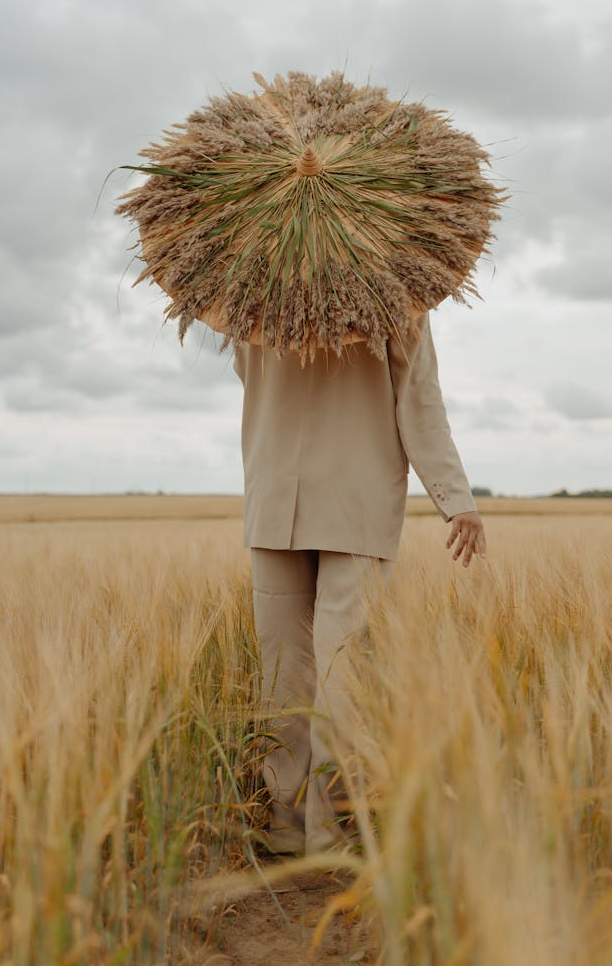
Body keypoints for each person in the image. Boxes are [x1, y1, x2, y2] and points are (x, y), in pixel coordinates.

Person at [232, 311, 487, 856]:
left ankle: (282, 824)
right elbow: (417, 399)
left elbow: (243, 367)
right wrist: (456, 499)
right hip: (359, 496)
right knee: (340, 675)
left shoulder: (248, 286)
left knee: (283, 675)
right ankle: (329, 834)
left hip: (274, 493)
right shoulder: (398, 286)